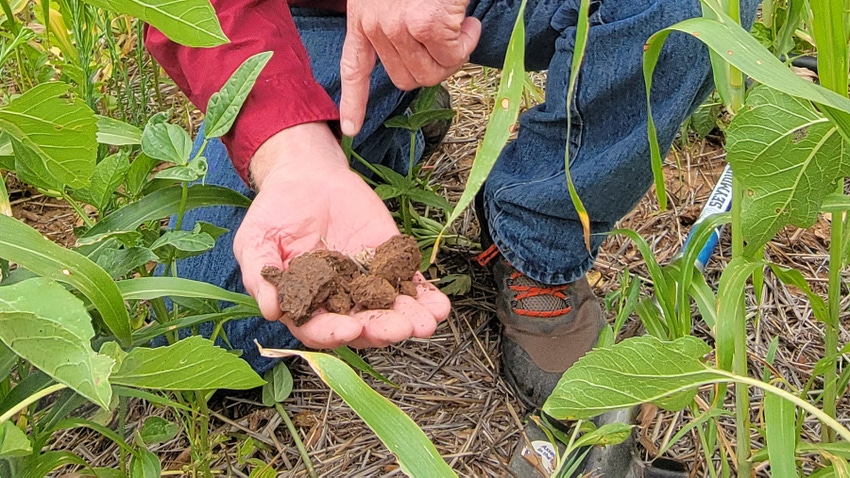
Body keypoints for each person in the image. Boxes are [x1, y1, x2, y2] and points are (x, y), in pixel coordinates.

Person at [145, 0, 759, 472]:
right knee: (209, 327)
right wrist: (290, 153)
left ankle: (536, 235)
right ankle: (391, 118)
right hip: (298, 17)